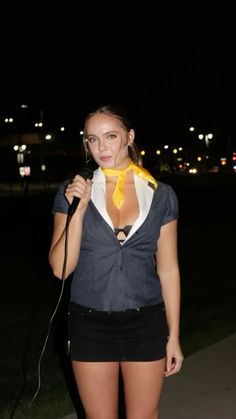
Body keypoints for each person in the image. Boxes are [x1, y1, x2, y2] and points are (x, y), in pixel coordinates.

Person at [49, 103, 184, 419]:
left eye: (110, 136)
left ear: (129, 136)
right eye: (92, 139)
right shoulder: (71, 192)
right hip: (90, 322)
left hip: (145, 321)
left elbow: (168, 270)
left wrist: (174, 335)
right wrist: (78, 212)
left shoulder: (161, 195)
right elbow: (60, 268)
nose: (101, 147)